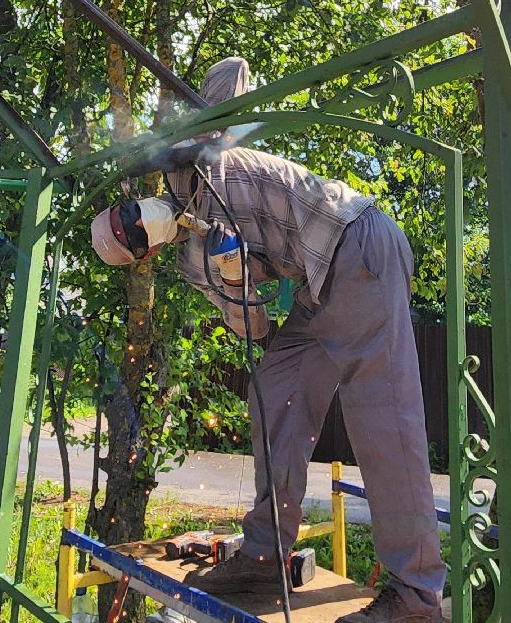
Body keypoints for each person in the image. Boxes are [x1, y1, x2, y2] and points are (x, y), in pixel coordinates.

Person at [89, 57, 445, 623]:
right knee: (272, 387)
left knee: (383, 418)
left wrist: (181, 135)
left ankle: (416, 596)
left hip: (356, 244)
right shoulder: (192, 261)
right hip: (316, 286)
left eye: (128, 216)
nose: (139, 224)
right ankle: (265, 554)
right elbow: (253, 328)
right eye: (134, 238)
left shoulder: (195, 169)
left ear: (134, 200)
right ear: (146, 255)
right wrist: (234, 279)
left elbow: (234, 71)